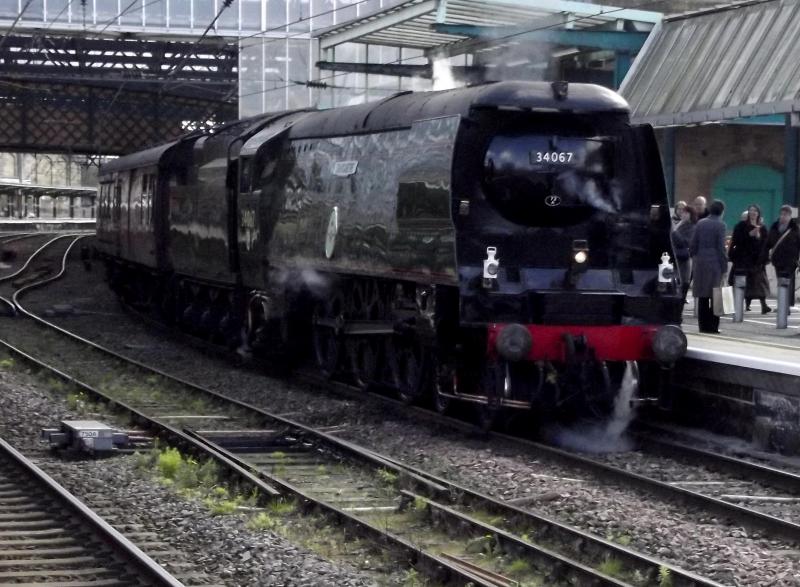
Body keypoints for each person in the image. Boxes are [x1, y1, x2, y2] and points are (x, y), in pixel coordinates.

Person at [690, 199, 727, 333]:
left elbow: (693, 244)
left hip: (701, 262)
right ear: (722, 212)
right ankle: (713, 326)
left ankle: (703, 326)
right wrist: (724, 267)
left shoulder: (700, 223)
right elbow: (721, 248)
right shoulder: (721, 225)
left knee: (703, 296)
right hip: (715, 263)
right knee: (716, 296)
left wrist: (695, 256)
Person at [728, 204, 770, 313]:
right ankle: (742, 306)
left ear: (758, 213)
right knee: (744, 283)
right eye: (751, 210)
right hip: (743, 259)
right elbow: (737, 241)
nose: (753, 213)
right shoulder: (741, 226)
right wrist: (749, 235)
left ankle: (763, 305)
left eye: (755, 211)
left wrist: (758, 238)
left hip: (757, 260)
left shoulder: (762, 228)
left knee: (759, 284)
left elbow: (766, 244)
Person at [763, 205, 800, 310]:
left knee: (786, 282)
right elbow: (768, 243)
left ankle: (785, 306)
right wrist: (764, 258)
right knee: (781, 282)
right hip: (778, 260)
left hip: (791, 261)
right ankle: (783, 305)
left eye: (786, 215)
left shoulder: (795, 228)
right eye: (782, 214)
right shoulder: (774, 227)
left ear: (790, 216)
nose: (783, 217)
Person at [671, 204, 696, 303]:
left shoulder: (692, 227)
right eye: (682, 212)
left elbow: (684, 242)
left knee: (684, 281)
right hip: (675, 257)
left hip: (684, 258)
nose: (683, 214)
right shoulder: (679, 224)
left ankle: (681, 301)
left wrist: (674, 231)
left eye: (686, 212)